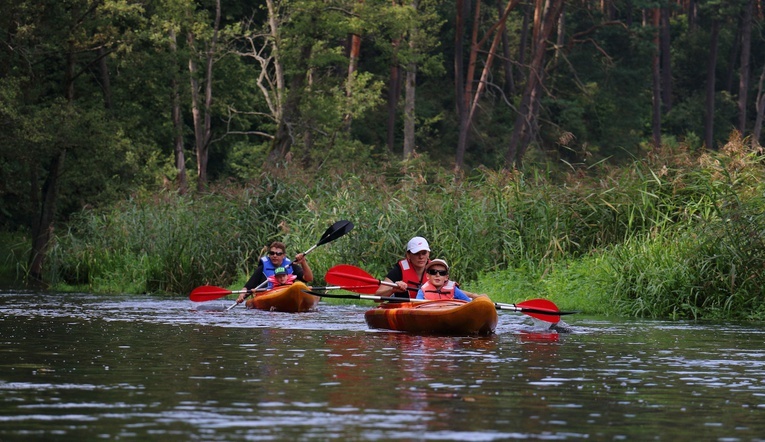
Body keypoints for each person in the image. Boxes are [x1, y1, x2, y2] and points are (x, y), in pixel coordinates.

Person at [235, 241, 313, 304]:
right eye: (272, 253)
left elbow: (309, 278)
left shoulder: (291, 266)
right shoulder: (262, 268)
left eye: (278, 254)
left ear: (284, 255)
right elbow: (247, 287)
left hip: (288, 296)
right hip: (267, 295)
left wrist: (303, 262)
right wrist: (241, 295)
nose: (274, 256)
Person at [416, 259, 480, 301]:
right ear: (427, 276)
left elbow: (467, 301)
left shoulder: (454, 289)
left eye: (442, 273)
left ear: (446, 277)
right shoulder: (422, 291)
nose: (437, 275)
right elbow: (417, 305)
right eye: (433, 272)